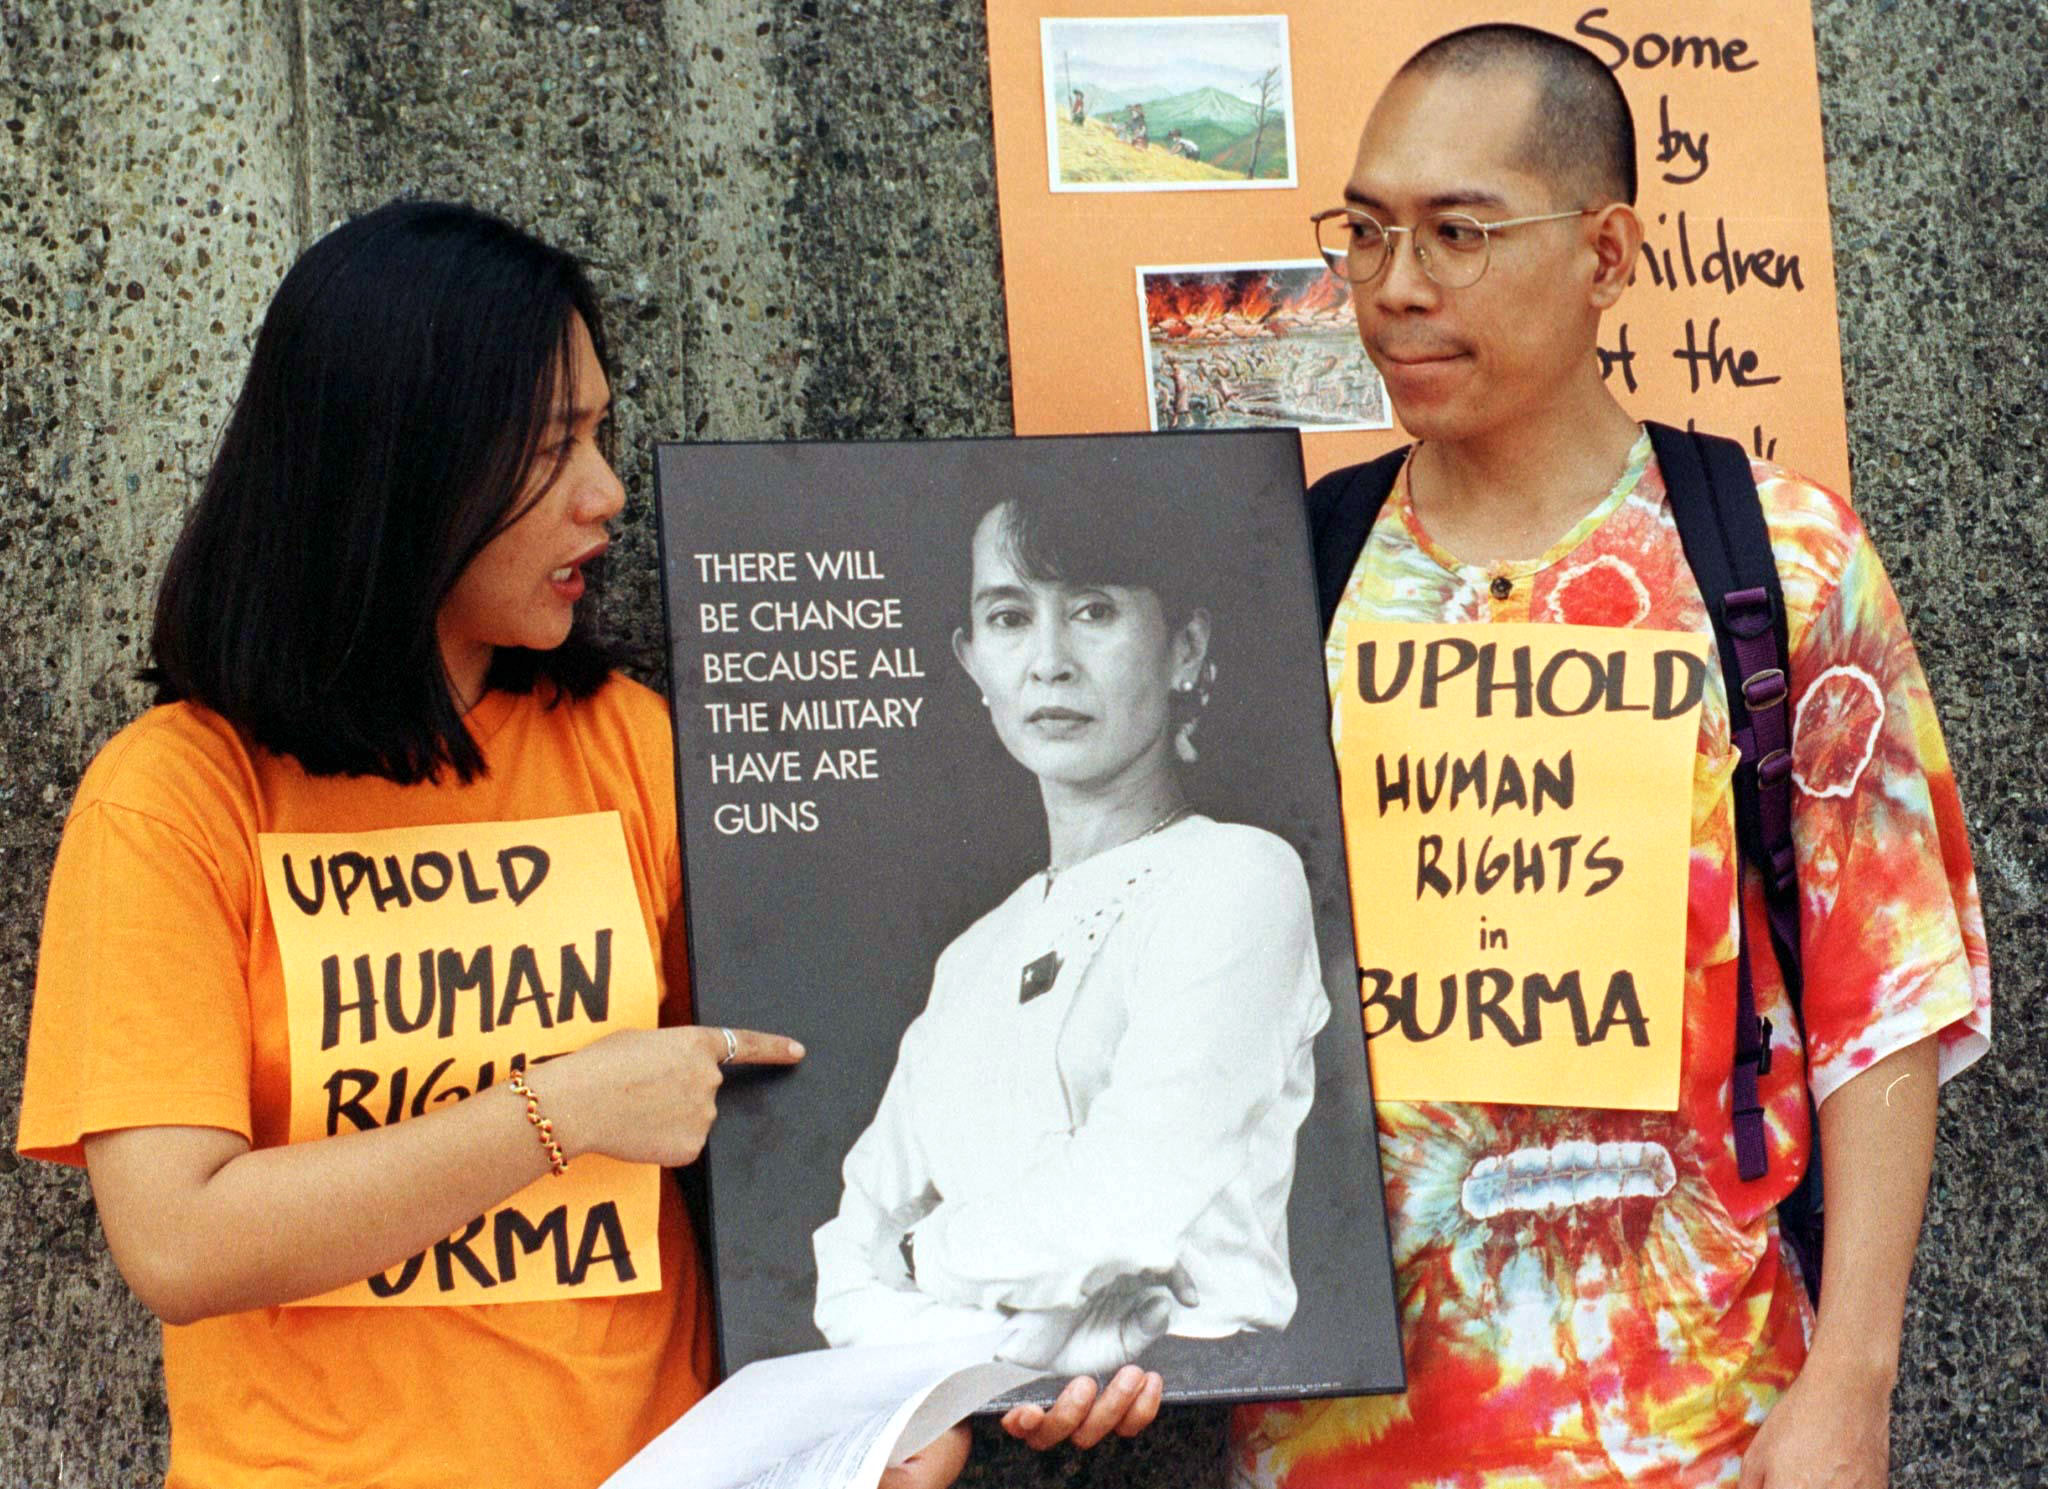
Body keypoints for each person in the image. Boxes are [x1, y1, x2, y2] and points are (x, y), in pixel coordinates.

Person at [13, 199, 1159, 1489]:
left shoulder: (634, 746)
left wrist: (941, 1390)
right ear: (404, 461)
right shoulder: (177, 793)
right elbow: (179, 1241)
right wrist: (557, 1112)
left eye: (598, 435)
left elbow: (818, 1141)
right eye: (555, 447)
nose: (606, 494)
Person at [1233, 24, 1991, 1489]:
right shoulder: (1295, 572)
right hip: (1343, 1435)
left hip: (1703, 1421)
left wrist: (1854, 1385)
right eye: (1368, 231)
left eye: (1459, 233)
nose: (1395, 288)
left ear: (1610, 250)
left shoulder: (1781, 561)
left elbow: (1880, 997)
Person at [812, 483, 1330, 1378]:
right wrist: (1028, 1339)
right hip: (981, 1416)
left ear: (1185, 648)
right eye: (1010, 618)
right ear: (971, 661)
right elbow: (844, 1269)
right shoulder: (972, 957)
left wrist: (922, 1261)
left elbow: (1127, 1196)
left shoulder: (1239, 877)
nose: (1048, 661)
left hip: (1199, 1404)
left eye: (1093, 610)